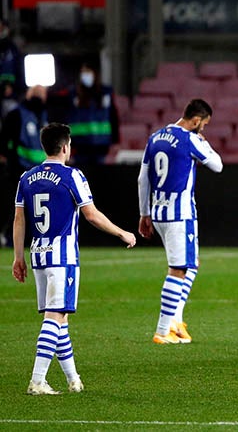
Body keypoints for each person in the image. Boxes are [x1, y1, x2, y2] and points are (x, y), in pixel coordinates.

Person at [13, 123, 136, 395]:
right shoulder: (72, 176)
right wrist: (122, 232)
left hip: (38, 256)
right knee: (54, 317)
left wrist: (17, 258)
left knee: (60, 320)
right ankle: (37, 380)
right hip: (62, 257)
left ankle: (73, 379)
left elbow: (19, 219)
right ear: (66, 147)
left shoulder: (26, 178)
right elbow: (91, 215)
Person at [138, 98, 223, 345]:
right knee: (178, 269)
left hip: (159, 211)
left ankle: (176, 321)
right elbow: (217, 166)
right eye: (204, 125)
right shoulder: (190, 139)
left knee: (191, 263)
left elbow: (143, 179)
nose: (203, 129)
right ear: (196, 121)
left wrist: (144, 213)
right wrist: (205, 145)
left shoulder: (155, 137)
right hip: (180, 213)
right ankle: (163, 330)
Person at [1, 85, 49, 245]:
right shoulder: (16, 114)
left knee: (31, 207)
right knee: (19, 207)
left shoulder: (43, 115)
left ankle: (27, 239)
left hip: (40, 170)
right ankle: (9, 237)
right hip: (19, 168)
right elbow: (4, 140)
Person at [67, 62, 119, 165]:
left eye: (88, 72)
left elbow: (113, 117)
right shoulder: (73, 94)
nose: (86, 76)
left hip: (101, 144)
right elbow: (67, 117)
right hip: (80, 146)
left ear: (95, 74)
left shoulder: (106, 93)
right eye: (84, 73)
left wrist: (115, 139)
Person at [0, 19, 24, 118]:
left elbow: (20, 72)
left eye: (1, 28)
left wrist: (13, 88)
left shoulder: (13, 49)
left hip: (11, 96)